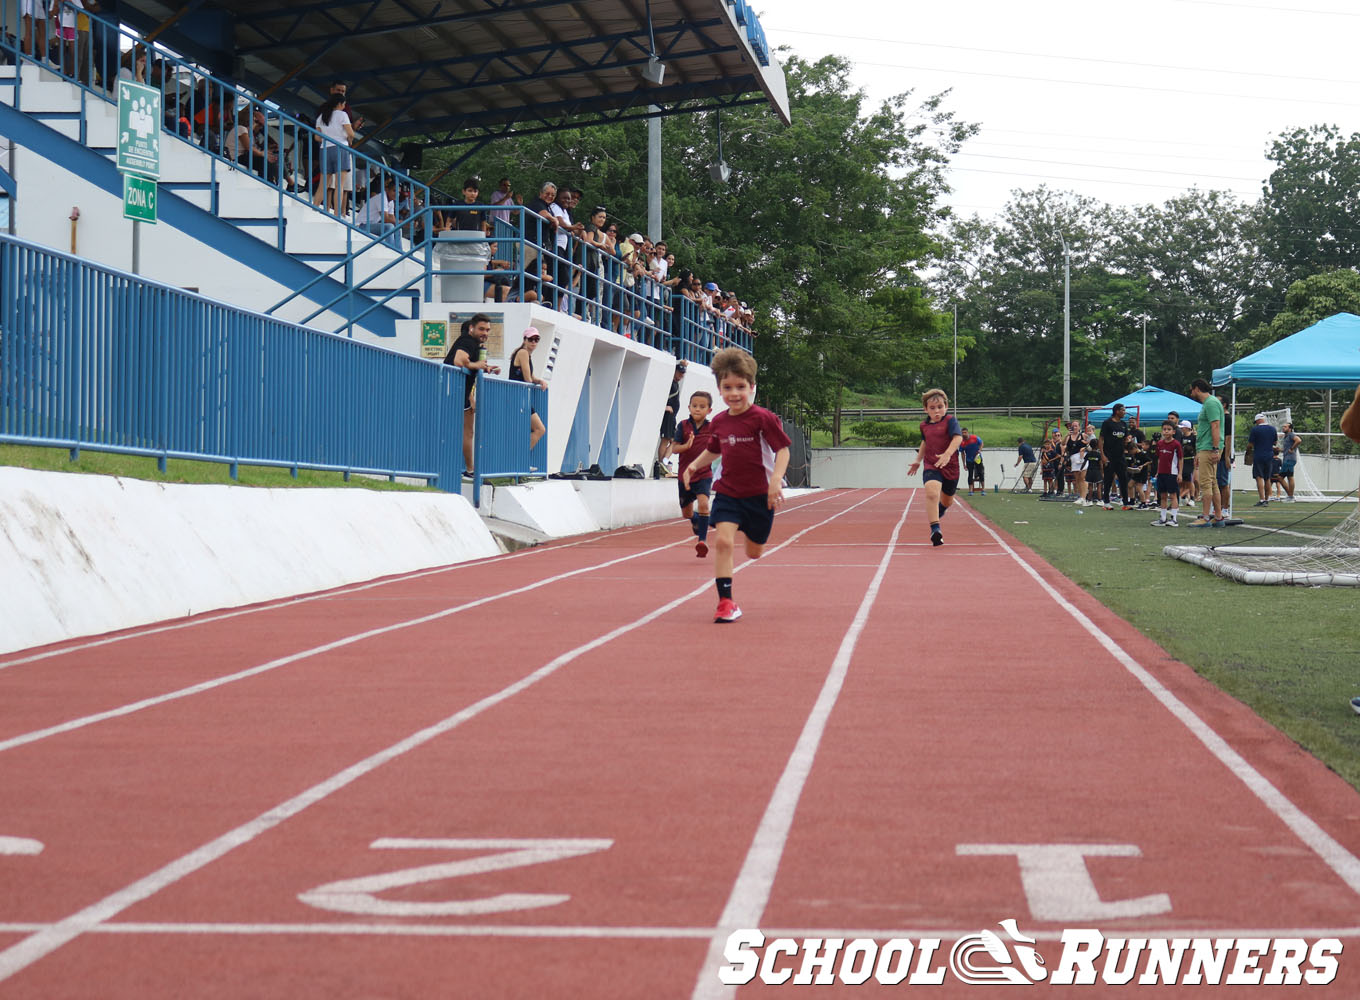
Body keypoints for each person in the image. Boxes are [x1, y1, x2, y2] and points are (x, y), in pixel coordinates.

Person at [680, 347, 791, 623]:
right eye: (727, 387)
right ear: (719, 389)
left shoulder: (763, 418)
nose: (734, 393)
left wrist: (775, 480)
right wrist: (694, 466)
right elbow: (714, 450)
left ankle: (750, 533)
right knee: (723, 542)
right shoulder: (719, 422)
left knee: (754, 552)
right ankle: (726, 602)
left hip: (760, 496)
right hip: (728, 492)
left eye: (740, 387)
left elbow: (783, 450)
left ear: (751, 387)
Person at [443, 313, 500, 473]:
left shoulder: (473, 344)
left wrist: (486, 368)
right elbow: (459, 361)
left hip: (460, 392)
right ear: (471, 328)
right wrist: (478, 365)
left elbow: (470, 365)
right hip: (453, 391)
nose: (485, 333)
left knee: (467, 432)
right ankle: (468, 470)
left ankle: (467, 469)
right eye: (481, 329)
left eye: (487, 330)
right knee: (465, 432)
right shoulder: (468, 341)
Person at [907, 387, 963, 547]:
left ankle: (939, 511)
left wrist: (947, 454)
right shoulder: (924, 426)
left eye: (940, 407)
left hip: (951, 467)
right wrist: (918, 460)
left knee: (947, 501)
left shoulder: (951, 421)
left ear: (946, 406)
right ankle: (935, 530)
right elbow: (925, 442)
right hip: (932, 464)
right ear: (926, 409)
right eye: (932, 408)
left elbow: (958, 438)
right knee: (931, 493)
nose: (937, 411)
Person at [671, 390, 716, 558]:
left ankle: (702, 541)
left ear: (709, 410)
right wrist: (687, 446)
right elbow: (674, 448)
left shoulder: (712, 428)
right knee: (687, 513)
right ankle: (696, 520)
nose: (697, 409)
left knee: (704, 504)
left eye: (702, 407)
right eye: (695, 406)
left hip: (704, 474)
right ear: (689, 407)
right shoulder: (683, 426)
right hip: (685, 476)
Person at [1187, 378, 1226, 527]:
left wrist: (1215, 449)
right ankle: (1218, 516)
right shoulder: (1210, 403)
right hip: (1206, 447)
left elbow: (1215, 425)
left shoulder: (1211, 403)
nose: (1191, 392)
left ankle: (1205, 517)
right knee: (1212, 482)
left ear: (1197, 388)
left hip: (1209, 447)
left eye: (1192, 389)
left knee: (1205, 482)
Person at [313, 94, 357, 214]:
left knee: (323, 185)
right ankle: (337, 214)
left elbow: (317, 137)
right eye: (344, 104)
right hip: (341, 148)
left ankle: (314, 208)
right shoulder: (342, 115)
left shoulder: (322, 116)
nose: (344, 106)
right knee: (339, 185)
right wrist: (349, 139)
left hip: (325, 149)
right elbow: (351, 133)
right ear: (340, 104)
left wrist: (328, 139)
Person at [506, 326, 548, 452]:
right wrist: (534, 381)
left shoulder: (526, 354)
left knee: (528, 430)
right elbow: (528, 379)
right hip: (518, 396)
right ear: (525, 340)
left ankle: (520, 456)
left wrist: (540, 381)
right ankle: (521, 456)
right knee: (540, 429)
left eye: (536, 339)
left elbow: (531, 377)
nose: (534, 342)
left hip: (519, 396)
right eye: (531, 339)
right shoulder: (523, 353)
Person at [1098, 403, 1131, 510]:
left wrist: (1127, 441)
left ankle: (1125, 503)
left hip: (1120, 456)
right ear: (1117, 411)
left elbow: (1125, 439)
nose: (1124, 412)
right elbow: (1101, 439)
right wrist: (1102, 455)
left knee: (1123, 479)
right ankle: (1106, 502)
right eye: (1123, 410)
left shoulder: (1123, 424)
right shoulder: (1107, 423)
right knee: (1108, 479)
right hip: (1109, 455)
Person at [656, 360, 685, 478]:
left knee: (674, 441)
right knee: (666, 439)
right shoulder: (669, 382)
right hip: (668, 416)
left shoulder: (676, 384)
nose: (681, 376)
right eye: (679, 373)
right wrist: (665, 407)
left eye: (682, 374)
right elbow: (659, 396)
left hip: (672, 417)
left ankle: (664, 462)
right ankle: (661, 464)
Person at [1152, 420, 1182, 526]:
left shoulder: (1176, 444)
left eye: (1169, 429)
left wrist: (1180, 473)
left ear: (1173, 431)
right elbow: (1159, 459)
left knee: (1173, 495)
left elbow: (1180, 459)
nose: (1166, 431)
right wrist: (1157, 472)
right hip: (1161, 473)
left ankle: (1174, 519)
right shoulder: (1160, 443)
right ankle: (1163, 518)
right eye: (1164, 429)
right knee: (1163, 495)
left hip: (1172, 473)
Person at [1246, 412, 1278, 506]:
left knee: (1259, 477)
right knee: (1267, 478)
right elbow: (1275, 443)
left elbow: (1250, 444)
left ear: (1258, 421)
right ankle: (1267, 499)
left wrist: (1248, 452)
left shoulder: (1255, 429)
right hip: (1269, 455)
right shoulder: (1273, 429)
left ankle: (1262, 499)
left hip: (1258, 455)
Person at [1063, 419, 1088, 505]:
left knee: (1083, 478)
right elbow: (1063, 444)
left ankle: (1084, 497)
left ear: (1079, 427)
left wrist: (1085, 448)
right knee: (1077, 479)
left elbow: (1091, 443)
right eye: (1073, 426)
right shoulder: (1069, 436)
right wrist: (1067, 435)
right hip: (1073, 458)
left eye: (1076, 426)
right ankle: (1081, 496)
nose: (1074, 427)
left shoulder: (1083, 435)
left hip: (1082, 457)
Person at [1279, 421, 1301, 501]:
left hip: (1290, 459)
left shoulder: (1291, 435)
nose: (1283, 428)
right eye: (1283, 426)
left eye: (1285, 427)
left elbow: (1298, 440)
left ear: (1290, 429)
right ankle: (1290, 495)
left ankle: (1290, 496)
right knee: (1283, 477)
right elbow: (1286, 449)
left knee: (1286, 477)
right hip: (1287, 459)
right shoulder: (1286, 436)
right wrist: (1279, 450)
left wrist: (1292, 448)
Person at [960, 428, 985, 495]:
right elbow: (962, 453)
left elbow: (981, 443)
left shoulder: (974, 438)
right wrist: (964, 464)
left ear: (968, 432)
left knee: (980, 473)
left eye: (965, 432)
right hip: (969, 460)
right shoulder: (962, 442)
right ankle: (970, 490)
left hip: (977, 458)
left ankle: (983, 489)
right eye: (962, 433)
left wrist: (980, 450)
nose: (964, 434)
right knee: (970, 474)